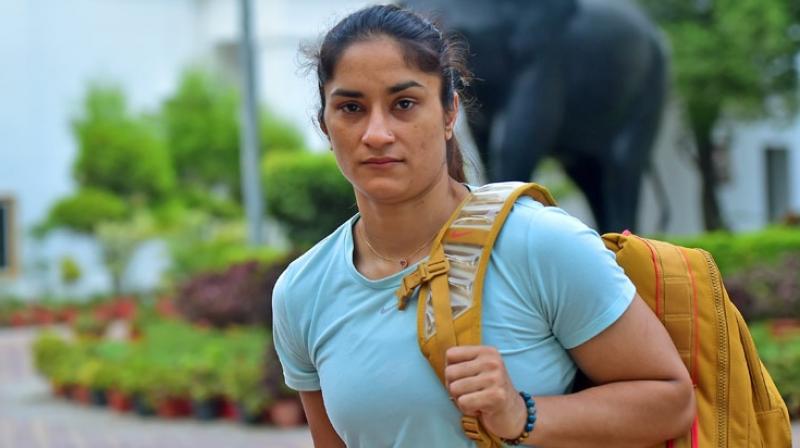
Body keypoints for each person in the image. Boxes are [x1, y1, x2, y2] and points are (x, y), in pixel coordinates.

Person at [272, 4, 695, 447]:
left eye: (404, 104)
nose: (376, 133)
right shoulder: (303, 292)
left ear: (449, 114)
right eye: (351, 107)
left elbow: (671, 401)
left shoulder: (537, 242)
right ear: (325, 124)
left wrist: (521, 414)